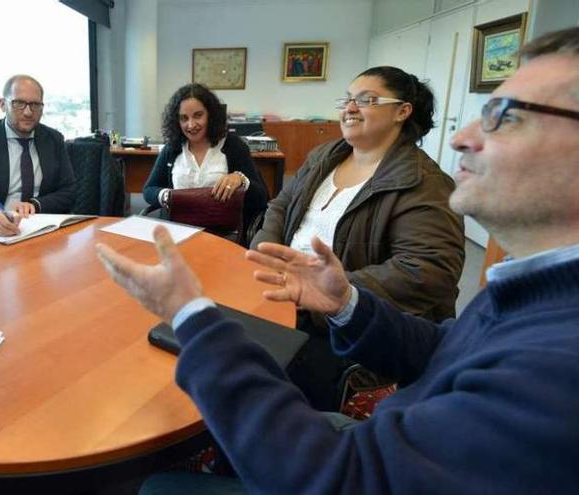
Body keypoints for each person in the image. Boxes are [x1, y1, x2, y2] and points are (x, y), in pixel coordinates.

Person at [97, 26, 579, 494]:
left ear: (402, 113)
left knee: (159, 483)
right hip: (320, 318)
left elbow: (342, 477)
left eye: (505, 115)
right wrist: (345, 299)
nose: (463, 137)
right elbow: (443, 348)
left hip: (348, 431)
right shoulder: (526, 290)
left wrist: (189, 314)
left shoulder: (554, 366)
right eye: (347, 98)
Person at [251, 66, 465, 410]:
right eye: (347, 99)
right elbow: (280, 205)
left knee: (261, 380)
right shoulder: (325, 155)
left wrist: (334, 292)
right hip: (288, 292)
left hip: (345, 321)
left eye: (366, 100)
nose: (350, 108)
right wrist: (266, 251)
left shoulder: (424, 182)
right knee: (211, 340)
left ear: (402, 111)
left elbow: (428, 271)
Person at [0, 74, 76, 236]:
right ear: (3, 104)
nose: (28, 112)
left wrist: (35, 205)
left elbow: (69, 191)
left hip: (39, 229)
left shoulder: (53, 139)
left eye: (35, 105)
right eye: (19, 103)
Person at [143, 83, 268, 239]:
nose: (191, 125)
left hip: (223, 236)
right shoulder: (173, 148)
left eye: (198, 115)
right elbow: (149, 190)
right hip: (177, 233)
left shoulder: (234, 146)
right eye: (184, 118)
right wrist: (165, 195)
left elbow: (262, 199)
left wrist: (242, 180)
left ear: (210, 114)